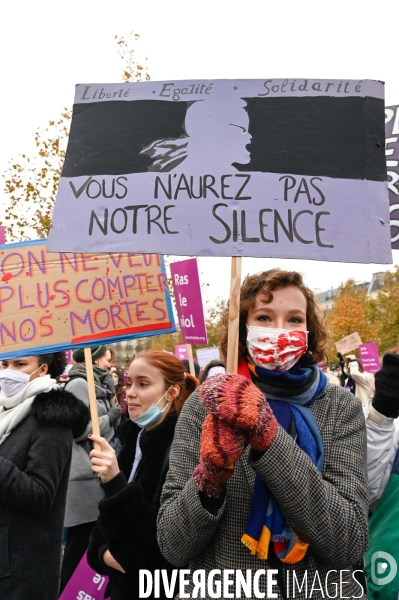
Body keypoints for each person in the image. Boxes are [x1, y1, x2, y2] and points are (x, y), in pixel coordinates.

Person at [157, 269, 368, 599]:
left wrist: (269, 437)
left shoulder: (340, 407)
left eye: (295, 319)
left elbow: (348, 543)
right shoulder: (206, 403)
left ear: (309, 331)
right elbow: (172, 544)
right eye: (265, 317)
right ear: (243, 329)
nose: (280, 331)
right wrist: (209, 482)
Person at [87, 350, 198, 600]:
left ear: (172, 392)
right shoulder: (133, 439)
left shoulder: (183, 450)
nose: (130, 392)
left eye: (143, 384)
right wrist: (107, 553)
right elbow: (96, 543)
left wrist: (116, 482)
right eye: (129, 383)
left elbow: (156, 563)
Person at [0, 352, 89, 600]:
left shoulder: (51, 419)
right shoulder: (5, 409)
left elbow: (39, 495)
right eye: (4, 364)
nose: (8, 372)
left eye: (20, 365)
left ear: (42, 369)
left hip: (21, 569)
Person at [60, 345, 122, 594]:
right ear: (94, 360)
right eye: (108, 360)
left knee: (89, 548)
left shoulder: (99, 385)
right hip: (84, 480)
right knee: (78, 553)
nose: (110, 366)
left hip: (97, 475)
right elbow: (78, 430)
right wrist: (112, 416)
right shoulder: (78, 384)